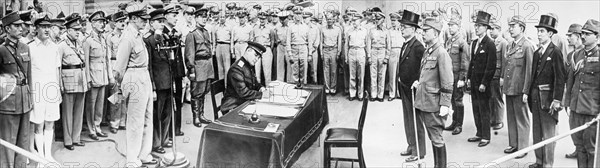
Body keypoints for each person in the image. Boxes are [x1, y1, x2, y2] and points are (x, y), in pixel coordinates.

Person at [114, 7, 157, 167]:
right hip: (133, 76)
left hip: (143, 75)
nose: (146, 22)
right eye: (142, 19)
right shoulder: (128, 37)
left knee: (147, 117)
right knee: (134, 120)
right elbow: (119, 68)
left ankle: (144, 154)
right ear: (132, 18)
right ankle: (132, 158)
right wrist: (120, 87)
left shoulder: (139, 35)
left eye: (146, 19)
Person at [411, 17, 454, 168]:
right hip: (425, 101)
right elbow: (428, 74)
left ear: (435, 33)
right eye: (422, 31)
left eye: (426, 31)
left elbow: (447, 81)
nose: (422, 34)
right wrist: (420, 83)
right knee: (433, 137)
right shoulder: (428, 51)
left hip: (434, 104)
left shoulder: (441, 53)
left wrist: (445, 104)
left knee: (437, 138)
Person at [525, 14, 566, 168]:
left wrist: (556, 100)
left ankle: (548, 164)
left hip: (548, 100)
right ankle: (539, 161)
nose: (539, 34)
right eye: (538, 31)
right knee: (537, 132)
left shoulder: (555, 52)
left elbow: (560, 78)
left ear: (550, 33)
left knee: (548, 134)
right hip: (535, 98)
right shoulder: (537, 53)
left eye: (542, 31)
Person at [564, 19, 599, 168]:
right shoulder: (576, 55)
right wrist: (567, 103)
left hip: (591, 111)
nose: (583, 36)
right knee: (579, 148)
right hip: (576, 109)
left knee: (591, 149)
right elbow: (570, 82)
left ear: (597, 36)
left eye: (587, 34)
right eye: (582, 33)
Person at [0, 11, 33, 168]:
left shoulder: (25, 47)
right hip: (8, 103)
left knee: (23, 139)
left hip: (24, 100)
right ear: (7, 29)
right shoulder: (1, 50)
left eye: (22, 26)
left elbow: (30, 75)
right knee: (8, 141)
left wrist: (31, 97)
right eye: (17, 26)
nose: (21, 28)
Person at [28, 15, 61, 162]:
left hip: (52, 89)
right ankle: (40, 157)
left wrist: (59, 89)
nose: (47, 29)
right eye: (43, 26)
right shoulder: (30, 47)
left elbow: (57, 70)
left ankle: (48, 155)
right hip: (37, 90)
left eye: (49, 26)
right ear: (36, 28)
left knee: (50, 122)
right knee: (38, 124)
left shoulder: (55, 47)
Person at [501, 15, 533, 158]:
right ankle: (514, 144)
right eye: (510, 26)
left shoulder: (527, 46)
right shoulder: (510, 45)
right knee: (512, 117)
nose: (510, 29)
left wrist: (527, 90)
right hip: (510, 87)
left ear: (522, 28)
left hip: (520, 89)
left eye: (514, 26)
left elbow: (529, 71)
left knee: (521, 118)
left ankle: (523, 147)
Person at [397, 10, 426, 162]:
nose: (402, 29)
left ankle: (418, 151)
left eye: (405, 27)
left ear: (413, 29)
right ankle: (411, 145)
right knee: (408, 118)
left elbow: (424, 69)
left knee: (416, 120)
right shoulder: (406, 44)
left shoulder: (418, 47)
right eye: (401, 26)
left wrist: (418, 83)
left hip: (414, 89)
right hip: (405, 87)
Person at [59, 14, 90, 149]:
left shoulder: (80, 43)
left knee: (79, 111)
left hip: (80, 79)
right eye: (75, 29)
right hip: (68, 81)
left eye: (79, 29)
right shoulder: (61, 45)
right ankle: (68, 140)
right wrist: (60, 85)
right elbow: (58, 67)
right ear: (68, 30)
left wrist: (87, 80)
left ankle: (76, 138)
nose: (78, 32)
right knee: (68, 112)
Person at [466, 11, 496, 147]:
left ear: (486, 28)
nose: (476, 28)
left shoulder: (490, 44)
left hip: (483, 84)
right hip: (474, 82)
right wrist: (468, 78)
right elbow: (472, 62)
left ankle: (486, 136)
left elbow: (491, 66)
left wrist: (484, 83)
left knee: (484, 109)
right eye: (476, 25)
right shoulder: (474, 43)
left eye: (480, 25)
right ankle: (479, 133)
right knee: (476, 108)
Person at [144, 8, 171, 154]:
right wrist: (153, 87)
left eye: (163, 21)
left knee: (167, 113)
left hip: (167, 80)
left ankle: (165, 139)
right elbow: (149, 66)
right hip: (158, 83)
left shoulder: (165, 38)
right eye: (159, 22)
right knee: (157, 114)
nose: (162, 24)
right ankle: (156, 143)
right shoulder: (148, 40)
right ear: (151, 23)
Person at [83, 10, 112, 140]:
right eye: (100, 22)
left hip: (103, 76)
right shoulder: (87, 40)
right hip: (93, 75)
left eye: (104, 22)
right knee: (91, 104)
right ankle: (91, 129)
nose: (103, 24)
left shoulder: (103, 39)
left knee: (100, 104)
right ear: (93, 24)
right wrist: (88, 79)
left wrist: (109, 76)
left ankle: (98, 126)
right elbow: (86, 62)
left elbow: (106, 59)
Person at [221, 41, 271, 113]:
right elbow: (243, 93)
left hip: (243, 103)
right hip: (232, 107)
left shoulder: (248, 65)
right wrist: (262, 95)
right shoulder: (236, 69)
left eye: (259, 57)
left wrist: (261, 88)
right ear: (248, 50)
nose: (257, 59)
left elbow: (254, 83)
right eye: (255, 55)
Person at [184, 7, 214, 127]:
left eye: (205, 17)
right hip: (198, 66)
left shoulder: (206, 32)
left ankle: (201, 115)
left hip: (207, 65)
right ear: (196, 18)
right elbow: (189, 54)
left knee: (204, 91)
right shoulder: (191, 34)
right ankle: (196, 117)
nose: (204, 19)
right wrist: (191, 69)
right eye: (201, 17)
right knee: (196, 93)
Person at [443, 14, 470, 135]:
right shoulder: (449, 41)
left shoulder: (462, 43)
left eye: (452, 25)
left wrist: (462, 79)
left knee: (458, 100)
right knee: (452, 100)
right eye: (449, 25)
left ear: (458, 27)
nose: (450, 27)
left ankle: (459, 125)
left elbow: (465, 62)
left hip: (457, 76)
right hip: (449, 76)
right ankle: (454, 122)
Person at [163, 3, 187, 136]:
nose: (176, 18)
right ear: (166, 17)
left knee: (178, 100)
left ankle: (176, 129)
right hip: (169, 74)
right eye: (173, 15)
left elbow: (179, 55)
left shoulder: (174, 33)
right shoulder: (162, 34)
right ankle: (170, 132)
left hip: (177, 72)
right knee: (170, 103)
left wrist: (182, 72)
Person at [564, 23, 584, 159]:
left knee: (584, 127)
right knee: (573, 125)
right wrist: (566, 100)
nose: (568, 39)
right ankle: (578, 149)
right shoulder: (570, 54)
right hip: (572, 97)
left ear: (578, 36)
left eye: (570, 36)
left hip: (583, 98)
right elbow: (568, 79)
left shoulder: (585, 53)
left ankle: (584, 152)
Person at [107, 11, 128, 134]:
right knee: (115, 96)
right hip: (114, 64)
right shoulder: (110, 37)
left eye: (123, 21)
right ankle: (114, 122)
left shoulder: (126, 36)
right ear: (114, 23)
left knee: (124, 95)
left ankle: (122, 121)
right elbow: (108, 55)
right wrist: (111, 72)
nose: (122, 24)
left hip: (124, 65)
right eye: (120, 21)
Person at [488, 17, 507, 131]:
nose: (491, 31)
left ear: (499, 29)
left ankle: (499, 121)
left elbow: (504, 61)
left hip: (498, 74)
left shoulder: (503, 42)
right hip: (491, 74)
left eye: (493, 29)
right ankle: (492, 119)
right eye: (490, 29)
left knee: (498, 98)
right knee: (491, 97)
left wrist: (502, 76)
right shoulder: (491, 42)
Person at [367, 11, 389, 102]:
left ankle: (380, 95)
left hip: (382, 52)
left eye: (379, 19)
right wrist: (368, 56)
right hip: (373, 51)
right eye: (376, 19)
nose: (377, 21)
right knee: (373, 74)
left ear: (383, 20)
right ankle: (373, 94)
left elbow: (389, 45)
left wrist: (386, 57)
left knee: (382, 74)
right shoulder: (371, 30)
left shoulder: (386, 31)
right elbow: (368, 43)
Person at [286, 6, 309, 85]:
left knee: (303, 68)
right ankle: (295, 85)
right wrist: (290, 54)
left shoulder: (306, 27)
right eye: (296, 14)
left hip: (303, 48)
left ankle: (303, 84)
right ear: (294, 15)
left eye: (300, 14)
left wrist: (309, 54)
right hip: (294, 48)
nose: (298, 16)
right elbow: (288, 41)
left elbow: (309, 41)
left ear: (302, 15)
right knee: (294, 68)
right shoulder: (290, 27)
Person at [320, 12, 342, 94]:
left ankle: (333, 87)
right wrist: (321, 53)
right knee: (326, 70)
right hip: (325, 50)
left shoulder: (338, 29)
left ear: (333, 20)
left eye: (330, 19)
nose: (329, 21)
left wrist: (338, 52)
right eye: (327, 19)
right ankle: (327, 87)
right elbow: (321, 42)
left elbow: (339, 42)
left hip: (334, 50)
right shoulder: (323, 29)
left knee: (333, 70)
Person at [251, 11, 275, 84]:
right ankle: (258, 89)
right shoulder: (254, 28)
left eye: (263, 19)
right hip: (257, 50)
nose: (262, 20)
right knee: (257, 71)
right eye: (260, 18)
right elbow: (252, 40)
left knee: (267, 71)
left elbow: (272, 41)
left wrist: (268, 49)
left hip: (266, 49)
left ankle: (268, 88)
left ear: (266, 19)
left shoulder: (270, 28)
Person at [386, 11, 403, 101]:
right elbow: (388, 44)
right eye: (392, 21)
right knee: (392, 74)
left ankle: (399, 93)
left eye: (395, 21)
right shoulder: (389, 31)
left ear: (399, 21)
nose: (393, 22)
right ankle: (392, 94)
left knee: (400, 74)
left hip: (400, 51)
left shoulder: (402, 30)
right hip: (392, 51)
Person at [213, 12, 233, 81]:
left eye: (223, 17)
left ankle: (227, 86)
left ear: (226, 18)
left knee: (227, 67)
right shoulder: (216, 27)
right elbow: (214, 39)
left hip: (226, 46)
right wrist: (214, 49)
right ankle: (221, 88)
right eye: (221, 17)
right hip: (218, 46)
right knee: (220, 68)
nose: (222, 18)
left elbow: (232, 39)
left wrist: (232, 50)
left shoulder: (229, 27)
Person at [274, 11, 290, 81]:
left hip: (289, 47)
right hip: (280, 47)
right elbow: (275, 38)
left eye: (284, 19)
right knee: (280, 66)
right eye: (281, 19)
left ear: (287, 18)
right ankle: (280, 82)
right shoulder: (277, 27)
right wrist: (278, 41)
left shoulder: (291, 26)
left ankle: (290, 82)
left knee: (290, 66)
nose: (282, 21)